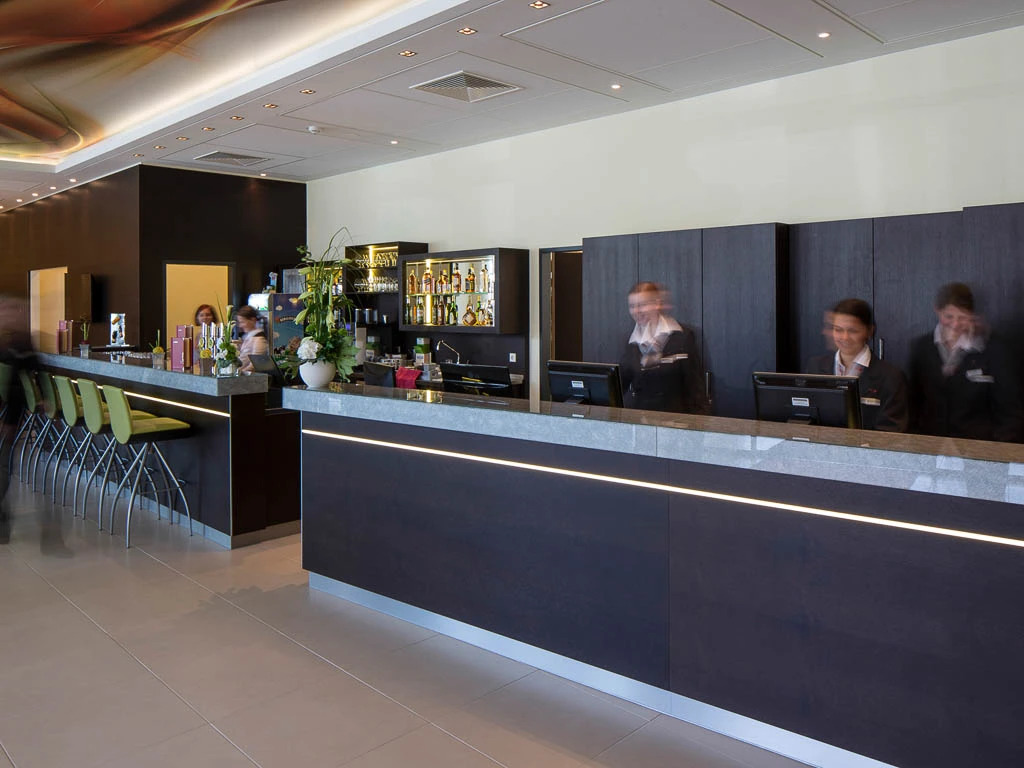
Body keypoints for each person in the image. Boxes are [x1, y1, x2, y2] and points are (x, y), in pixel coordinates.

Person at [908, 283, 1023, 442]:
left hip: (979, 447)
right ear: (937, 311)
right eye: (949, 317)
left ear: (971, 315)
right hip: (930, 446)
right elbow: (912, 404)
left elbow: (1010, 412)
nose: (955, 324)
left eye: (962, 317)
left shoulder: (993, 349)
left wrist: (996, 450)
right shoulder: (922, 348)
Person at [804, 298, 908, 432]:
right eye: (838, 330)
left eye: (853, 331)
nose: (845, 337)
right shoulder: (815, 366)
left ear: (869, 331)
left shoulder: (891, 377)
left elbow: (891, 431)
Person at [619, 282, 709, 414]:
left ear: (656, 304)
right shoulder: (632, 341)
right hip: (641, 419)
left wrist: (701, 421)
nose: (636, 311)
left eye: (642, 305)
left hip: (675, 419)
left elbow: (695, 388)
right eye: (632, 306)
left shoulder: (682, 336)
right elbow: (621, 383)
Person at [0, 296, 36, 543]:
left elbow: (31, 372)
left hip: (11, 416)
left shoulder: (22, 342)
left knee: (4, 466)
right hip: (8, 415)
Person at [234, 305, 268, 373]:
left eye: (243, 322)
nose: (240, 325)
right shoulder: (248, 336)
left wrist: (239, 373)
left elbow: (254, 365)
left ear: (253, 320)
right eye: (240, 322)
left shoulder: (259, 339)